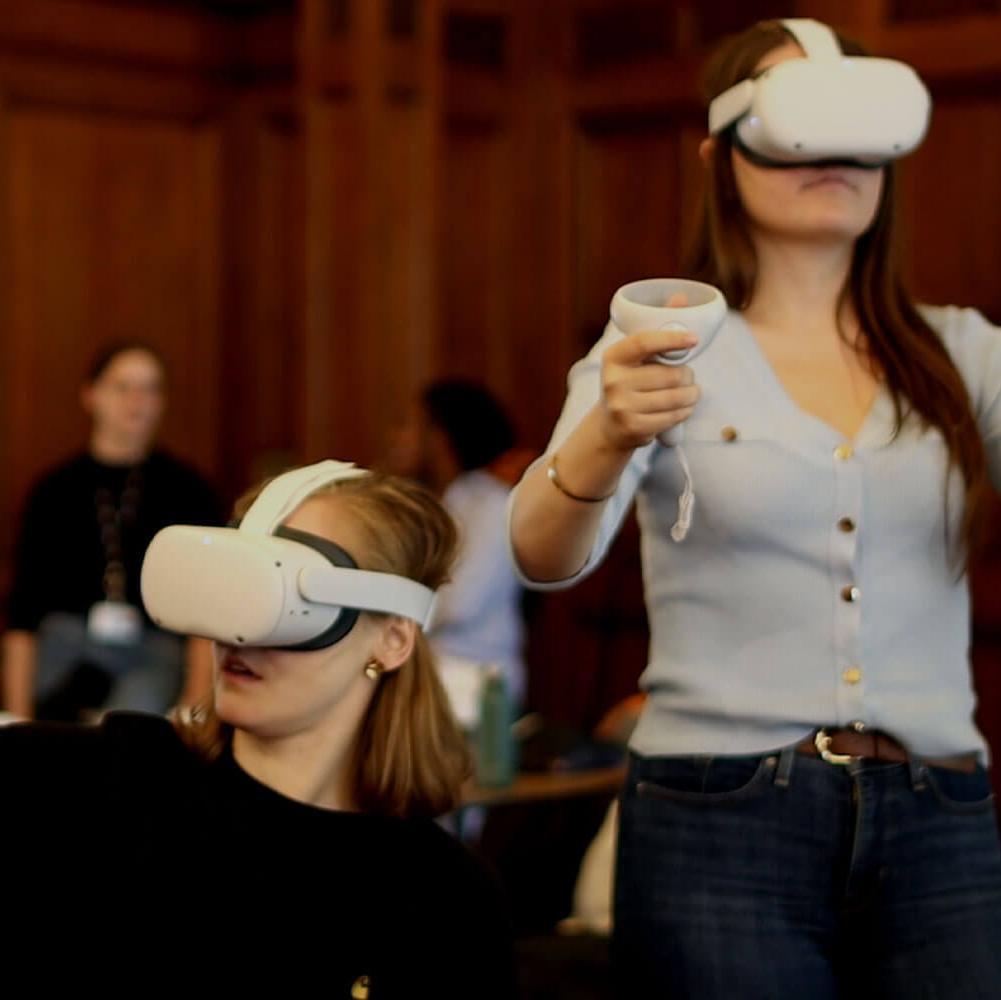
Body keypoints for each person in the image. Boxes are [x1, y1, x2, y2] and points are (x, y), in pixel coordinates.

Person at [508, 17, 1001, 999]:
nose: (831, 155)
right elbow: (540, 553)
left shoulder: (963, 354)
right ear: (718, 152)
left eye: (856, 125)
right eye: (796, 123)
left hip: (935, 812)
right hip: (715, 815)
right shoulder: (654, 345)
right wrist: (606, 434)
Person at [4, 461, 517, 994]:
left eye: (285, 602)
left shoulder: (445, 899)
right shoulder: (98, 782)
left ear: (392, 640)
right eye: (233, 593)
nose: (241, 637)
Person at [2, 342, 221, 720]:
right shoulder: (54, 490)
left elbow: (205, 613)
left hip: (151, 649)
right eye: (123, 387)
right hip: (66, 644)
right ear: (92, 395)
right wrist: (18, 720)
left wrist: (195, 709)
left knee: (132, 719)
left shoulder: (187, 490)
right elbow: (24, 614)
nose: (137, 401)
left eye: (151, 389)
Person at [388, 379, 528, 705]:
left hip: (472, 688)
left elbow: (458, 604)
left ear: (438, 438)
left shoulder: (489, 504)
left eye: (406, 426)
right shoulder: (441, 502)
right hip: (431, 674)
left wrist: (384, 606)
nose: (394, 438)